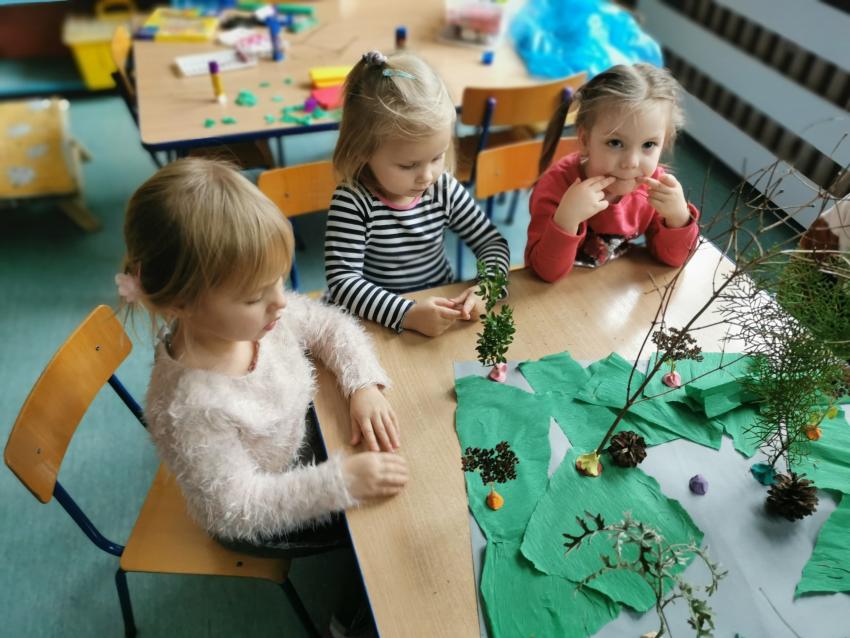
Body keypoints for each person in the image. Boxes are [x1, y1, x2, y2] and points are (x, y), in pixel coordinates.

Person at [117, 158, 408, 563]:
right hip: (266, 512)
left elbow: (330, 326)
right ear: (180, 303)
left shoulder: (261, 319)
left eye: (279, 279)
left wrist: (363, 386)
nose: (279, 301)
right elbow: (236, 510)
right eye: (255, 296)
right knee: (393, 529)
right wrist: (341, 483)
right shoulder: (191, 405)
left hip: (302, 440)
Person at [325, 50, 510, 336]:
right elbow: (342, 283)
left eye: (437, 157)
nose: (427, 176)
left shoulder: (442, 188)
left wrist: (487, 287)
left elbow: (491, 242)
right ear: (362, 150)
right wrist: (407, 313)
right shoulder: (353, 202)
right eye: (408, 165)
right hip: (381, 327)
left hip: (441, 314)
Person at [526, 63, 700, 282]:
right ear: (585, 140)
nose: (631, 162)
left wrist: (678, 219)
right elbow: (544, 272)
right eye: (615, 143)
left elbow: (674, 259)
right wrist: (566, 220)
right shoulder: (557, 186)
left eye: (648, 145)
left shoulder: (653, 187)